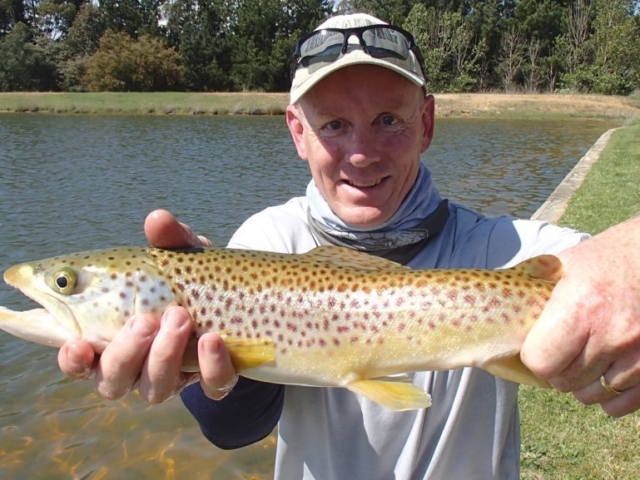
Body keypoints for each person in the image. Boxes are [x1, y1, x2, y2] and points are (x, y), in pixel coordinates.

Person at [57, 13, 640, 479]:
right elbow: (232, 431)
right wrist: (206, 356)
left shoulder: (506, 248)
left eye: (388, 119)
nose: (361, 153)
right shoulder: (267, 243)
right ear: (297, 132)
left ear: (427, 123)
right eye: (334, 124)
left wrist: (624, 262)